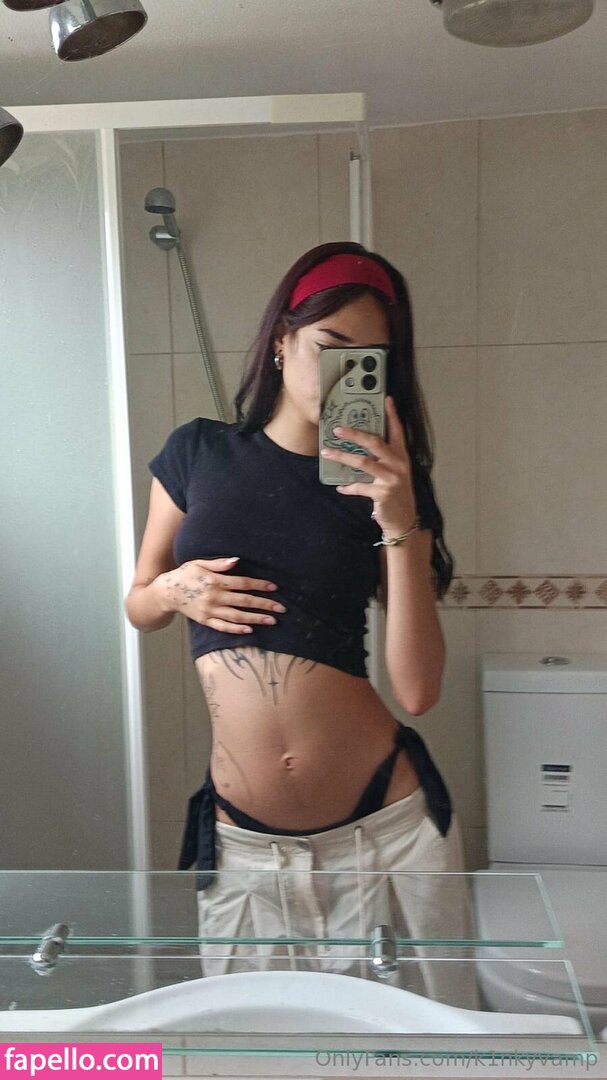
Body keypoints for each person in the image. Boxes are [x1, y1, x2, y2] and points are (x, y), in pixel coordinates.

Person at [125, 241, 477, 1006]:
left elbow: (418, 689)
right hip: (245, 851)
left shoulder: (386, 486)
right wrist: (177, 590)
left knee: (421, 1051)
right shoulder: (197, 452)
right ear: (282, 339)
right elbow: (139, 603)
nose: (344, 373)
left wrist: (400, 520)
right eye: (330, 345)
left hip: (384, 832)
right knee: (254, 1048)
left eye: (367, 360)